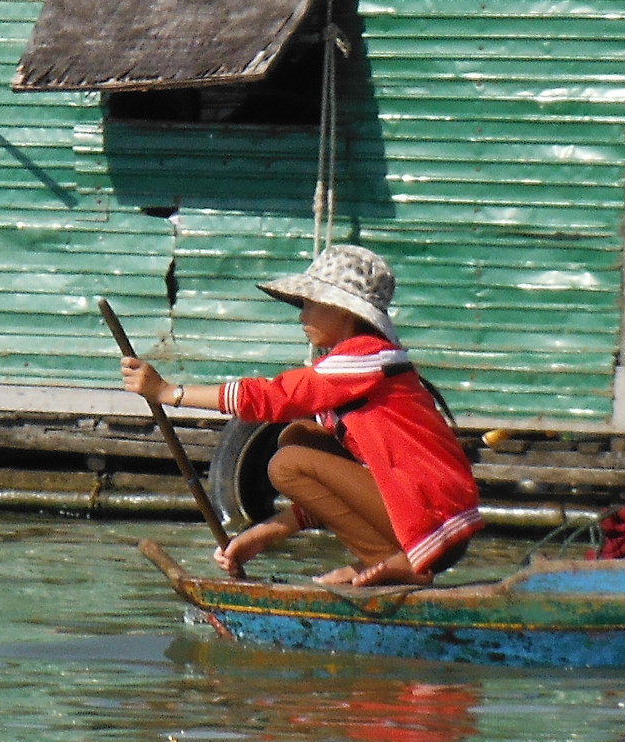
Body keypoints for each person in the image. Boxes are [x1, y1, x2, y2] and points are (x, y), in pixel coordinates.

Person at [120, 244, 481, 587]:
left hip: (435, 523)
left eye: (310, 304)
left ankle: (395, 562)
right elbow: (344, 495)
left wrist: (170, 393)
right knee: (298, 438)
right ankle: (389, 559)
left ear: (343, 311)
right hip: (426, 518)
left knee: (287, 463)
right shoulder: (360, 365)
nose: (302, 315)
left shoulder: (365, 358)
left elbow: (274, 396)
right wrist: (261, 536)